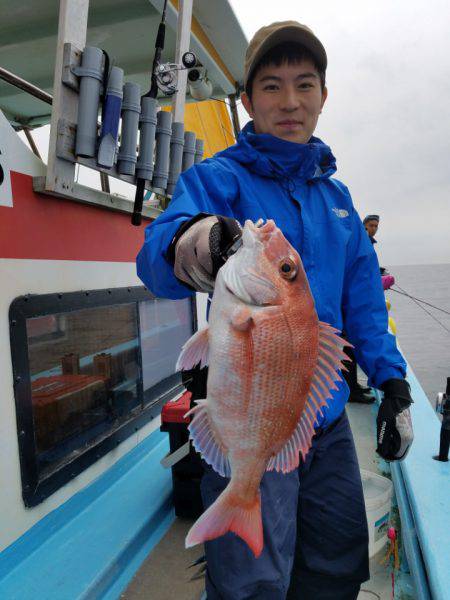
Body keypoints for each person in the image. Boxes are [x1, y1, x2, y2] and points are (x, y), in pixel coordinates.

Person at [137, 21, 414, 600]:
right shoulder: (218, 178)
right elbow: (157, 262)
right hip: (252, 418)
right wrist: (200, 241)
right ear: (247, 100)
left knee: (335, 569)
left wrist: (392, 384)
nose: (290, 102)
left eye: (305, 85)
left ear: (323, 96)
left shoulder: (338, 200)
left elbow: (362, 299)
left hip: (327, 425)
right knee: (251, 582)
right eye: (272, 86)